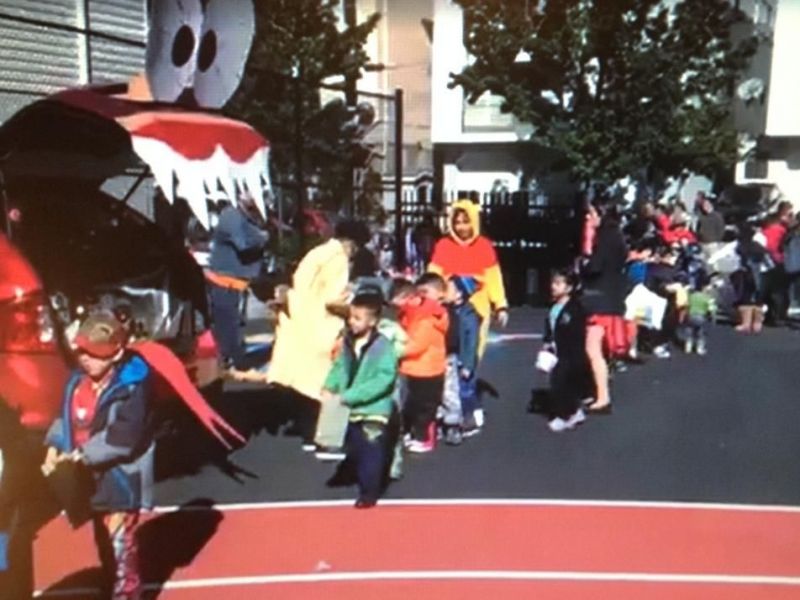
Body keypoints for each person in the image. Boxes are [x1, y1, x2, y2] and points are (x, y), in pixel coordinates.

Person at [42, 313, 155, 599]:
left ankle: (126, 593)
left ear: (115, 353)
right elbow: (64, 416)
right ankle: (109, 585)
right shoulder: (78, 381)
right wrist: (55, 445)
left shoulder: (132, 386)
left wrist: (81, 454)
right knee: (102, 540)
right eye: (81, 352)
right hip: (90, 476)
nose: (85, 359)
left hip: (121, 477)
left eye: (94, 354)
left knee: (121, 546)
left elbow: (124, 439)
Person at [266, 220, 362, 459]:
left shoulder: (317, 253)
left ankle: (309, 433)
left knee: (306, 385)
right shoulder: (338, 259)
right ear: (352, 244)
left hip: (301, 323)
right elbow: (334, 298)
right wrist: (354, 307)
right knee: (331, 383)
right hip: (324, 327)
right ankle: (328, 442)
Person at [321, 293, 398, 508]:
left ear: (372, 321)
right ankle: (372, 476)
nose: (351, 322)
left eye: (357, 318)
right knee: (356, 446)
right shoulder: (347, 342)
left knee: (370, 451)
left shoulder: (383, 346)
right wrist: (330, 385)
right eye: (351, 317)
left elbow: (385, 378)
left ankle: (369, 493)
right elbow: (339, 367)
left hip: (375, 409)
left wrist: (350, 395)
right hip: (351, 408)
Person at [428, 199, 509, 359]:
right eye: (457, 222)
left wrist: (500, 306)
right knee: (448, 352)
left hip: (478, 306)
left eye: (466, 222)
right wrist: (431, 299)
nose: (461, 227)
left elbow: (494, 278)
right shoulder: (443, 245)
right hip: (449, 304)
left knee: (472, 354)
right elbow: (433, 276)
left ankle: (466, 382)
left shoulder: (485, 246)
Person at [206, 196, 268, 375]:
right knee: (226, 325)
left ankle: (234, 358)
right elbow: (243, 245)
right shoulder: (232, 216)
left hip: (237, 282)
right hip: (224, 281)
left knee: (235, 324)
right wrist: (262, 237)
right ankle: (228, 362)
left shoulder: (248, 217)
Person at [581, 203, 628, 413]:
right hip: (613, 298)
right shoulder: (616, 236)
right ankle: (599, 390)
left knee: (592, 348)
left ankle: (603, 396)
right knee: (601, 349)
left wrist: (587, 252)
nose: (588, 217)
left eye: (591, 213)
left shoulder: (603, 238)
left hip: (600, 299)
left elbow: (594, 266)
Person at [397, 276, 449, 453]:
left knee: (426, 407)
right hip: (417, 369)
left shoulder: (427, 319)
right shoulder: (414, 316)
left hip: (429, 370)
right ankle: (413, 433)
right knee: (414, 403)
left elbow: (416, 345)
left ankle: (425, 438)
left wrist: (392, 352)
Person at [541, 270, 591, 432]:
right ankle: (571, 411)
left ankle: (568, 414)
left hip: (571, 353)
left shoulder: (575, 309)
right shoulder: (554, 307)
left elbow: (578, 334)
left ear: (569, 288)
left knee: (564, 383)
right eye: (553, 283)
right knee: (557, 382)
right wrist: (547, 343)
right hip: (557, 351)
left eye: (558, 283)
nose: (553, 287)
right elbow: (550, 327)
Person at [442, 276, 482, 444]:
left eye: (449, 289)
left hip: (462, 358)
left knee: (465, 391)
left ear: (459, 294)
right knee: (452, 391)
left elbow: (472, 342)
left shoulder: (469, 314)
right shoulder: (448, 310)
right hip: (451, 357)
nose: (445, 292)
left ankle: (470, 419)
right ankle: (457, 419)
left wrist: (468, 364)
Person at [760, 202, 794, 326]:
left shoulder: (772, 226)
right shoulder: (780, 229)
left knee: (773, 289)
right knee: (778, 290)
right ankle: (777, 315)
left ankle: (774, 314)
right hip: (778, 259)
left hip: (771, 259)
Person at [683, 274, 717, 355]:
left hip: (690, 316)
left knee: (689, 331)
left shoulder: (692, 296)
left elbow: (686, 305)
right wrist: (713, 318)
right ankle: (700, 348)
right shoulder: (707, 298)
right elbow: (712, 309)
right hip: (701, 317)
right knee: (701, 333)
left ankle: (688, 346)